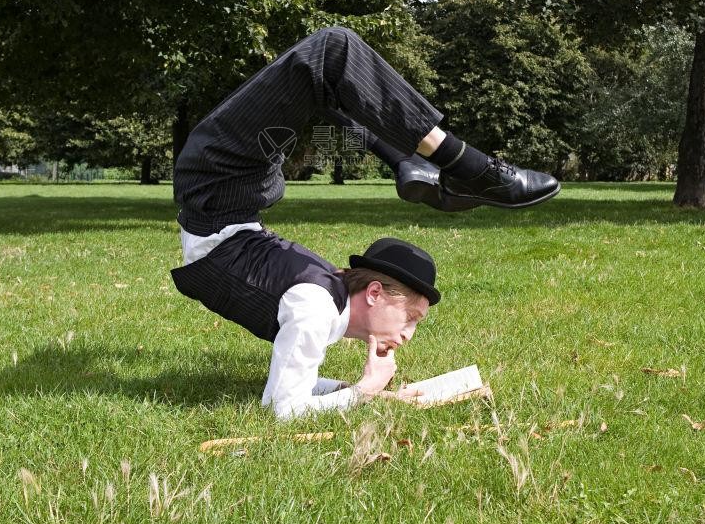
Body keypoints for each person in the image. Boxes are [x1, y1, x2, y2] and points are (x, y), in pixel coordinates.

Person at [171, 26, 559, 419]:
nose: (409, 335)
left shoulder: (318, 309)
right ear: (373, 292)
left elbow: (285, 401)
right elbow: (287, 401)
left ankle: (427, 163)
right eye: (411, 317)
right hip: (229, 186)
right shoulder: (321, 306)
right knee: (328, 66)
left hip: (222, 182)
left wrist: (365, 391)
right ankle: (460, 167)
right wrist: (365, 390)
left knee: (330, 55)